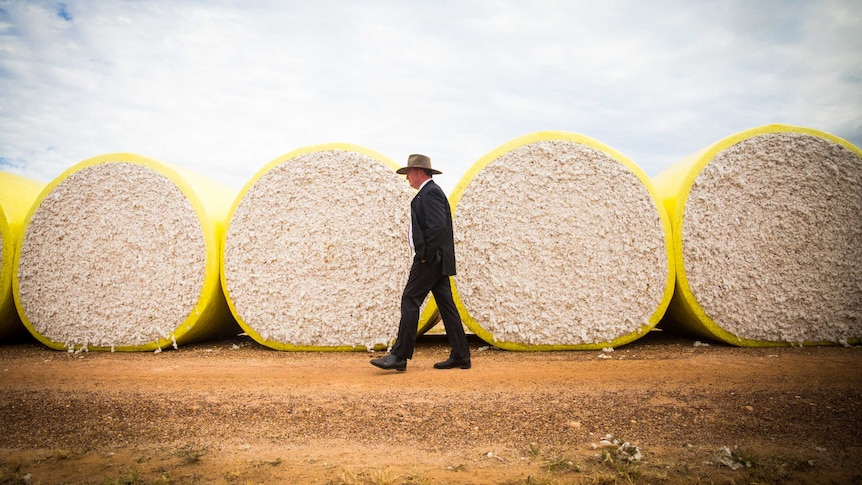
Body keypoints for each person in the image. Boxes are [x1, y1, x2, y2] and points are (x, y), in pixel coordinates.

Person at [370, 154, 471, 372]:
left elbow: (436, 227)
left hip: (430, 261)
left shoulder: (430, 193)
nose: (407, 178)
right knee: (446, 306)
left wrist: (425, 255)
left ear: (419, 172)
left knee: (410, 299)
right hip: (437, 261)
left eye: (408, 173)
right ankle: (461, 355)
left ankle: (399, 355)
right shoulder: (427, 193)